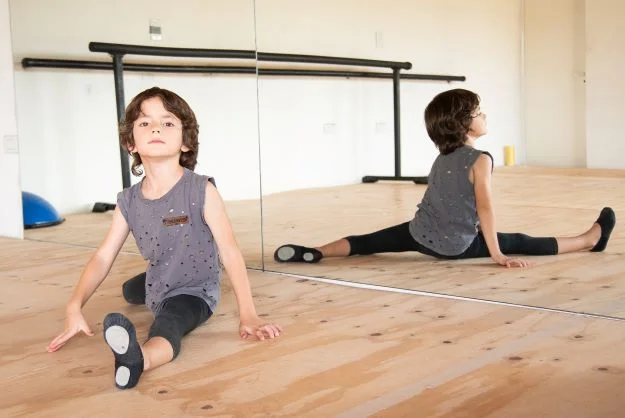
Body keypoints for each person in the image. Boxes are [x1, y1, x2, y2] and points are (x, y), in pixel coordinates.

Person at [47, 87, 282, 389]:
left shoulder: (201, 191)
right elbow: (104, 256)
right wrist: (74, 305)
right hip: (159, 278)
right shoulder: (128, 201)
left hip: (193, 290)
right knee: (132, 290)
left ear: (186, 142)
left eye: (167, 122)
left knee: (169, 320)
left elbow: (230, 251)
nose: (156, 127)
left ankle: (138, 359)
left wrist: (248, 314)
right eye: (145, 123)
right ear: (130, 142)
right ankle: (142, 289)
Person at [274, 88, 616, 268]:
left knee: (367, 242)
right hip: (456, 246)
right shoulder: (481, 159)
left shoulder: (444, 155)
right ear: (464, 124)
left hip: (420, 234)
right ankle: (588, 240)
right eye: (479, 112)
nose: (484, 116)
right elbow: (485, 209)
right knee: (522, 240)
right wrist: (496, 253)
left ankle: (316, 252)